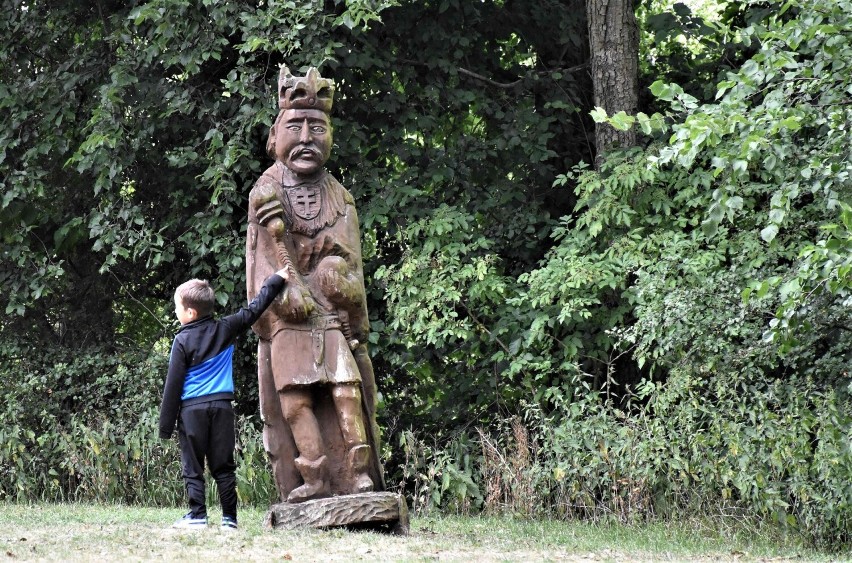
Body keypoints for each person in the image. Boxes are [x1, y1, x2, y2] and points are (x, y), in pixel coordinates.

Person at [246, 65, 384, 503]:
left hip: (329, 314)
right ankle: (314, 478)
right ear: (275, 135)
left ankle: (358, 473)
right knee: (295, 400)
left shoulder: (340, 197)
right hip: (288, 317)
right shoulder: (265, 192)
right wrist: (282, 291)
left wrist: (336, 279)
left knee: (346, 390)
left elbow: (349, 259)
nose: (306, 137)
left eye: (317, 127)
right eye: (295, 126)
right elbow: (260, 261)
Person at [158, 268, 289, 529]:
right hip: (221, 408)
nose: (176, 312)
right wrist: (276, 279)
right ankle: (229, 519)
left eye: (177, 308)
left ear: (190, 313)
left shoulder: (181, 340)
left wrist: (165, 426)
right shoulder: (226, 328)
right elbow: (255, 309)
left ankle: (197, 516)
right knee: (224, 466)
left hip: (191, 411)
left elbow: (173, 386)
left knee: (193, 466)